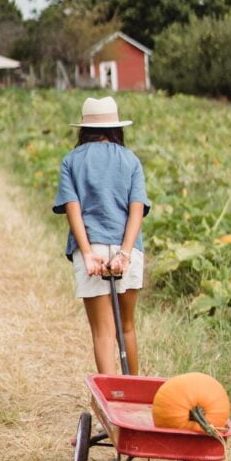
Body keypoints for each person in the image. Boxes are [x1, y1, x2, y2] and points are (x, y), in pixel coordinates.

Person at [52, 95, 149, 374]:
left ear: (83, 129)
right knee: (127, 327)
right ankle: (133, 394)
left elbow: (74, 211)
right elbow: (136, 210)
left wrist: (87, 252)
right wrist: (125, 253)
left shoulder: (71, 161)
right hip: (127, 248)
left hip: (91, 247)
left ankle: (111, 400)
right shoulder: (131, 160)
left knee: (103, 333)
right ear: (116, 128)